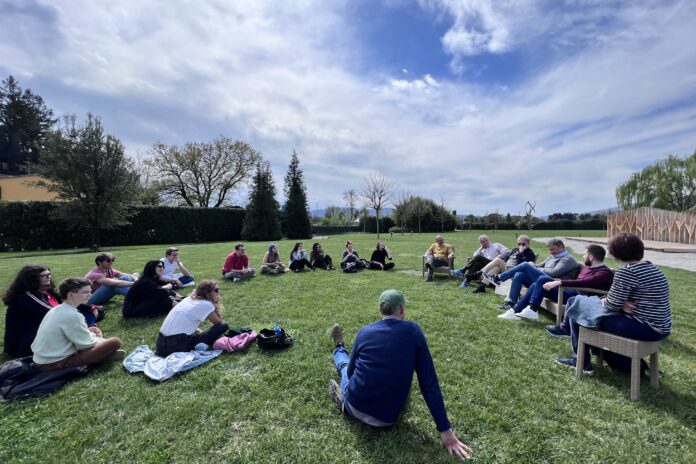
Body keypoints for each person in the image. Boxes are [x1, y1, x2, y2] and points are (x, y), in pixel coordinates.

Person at [327, 290, 472, 461]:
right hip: (389, 418)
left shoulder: (364, 332)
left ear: (380, 310)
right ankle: (339, 348)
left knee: (345, 367)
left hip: (356, 406)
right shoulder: (414, 331)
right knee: (349, 369)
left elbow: (351, 373)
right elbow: (429, 383)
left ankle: (339, 347)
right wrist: (445, 431)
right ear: (402, 309)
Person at [555, 234, 671, 373]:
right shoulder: (653, 269)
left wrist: (615, 302)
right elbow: (620, 300)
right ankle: (591, 356)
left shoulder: (627, 272)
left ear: (616, 253)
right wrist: (620, 303)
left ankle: (580, 361)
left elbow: (611, 306)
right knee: (577, 302)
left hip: (645, 327)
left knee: (577, 308)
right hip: (661, 327)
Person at [3, 265, 101, 358]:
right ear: (32, 278)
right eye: (44, 276)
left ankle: (87, 334)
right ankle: (88, 337)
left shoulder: (47, 292)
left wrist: (91, 308)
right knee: (79, 315)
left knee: (91, 311)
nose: (48, 277)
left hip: (47, 335)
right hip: (25, 345)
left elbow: (68, 302)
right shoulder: (26, 297)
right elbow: (57, 313)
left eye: (49, 275)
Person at [498, 244, 614, 321]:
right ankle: (515, 310)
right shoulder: (588, 267)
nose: (583, 256)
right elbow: (579, 281)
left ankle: (532, 309)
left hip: (577, 297)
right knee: (536, 284)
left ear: (591, 256)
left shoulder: (604, 272)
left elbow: (584, 282)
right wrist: (561, 282)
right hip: (569, 292)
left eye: (585, 254)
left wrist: (560, 282)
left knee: (542, 279)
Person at [31, 277, 124, 371]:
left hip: (42, 359)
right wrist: (102, 341)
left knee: (94, 330)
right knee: (115, 342)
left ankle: (104, 353)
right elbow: (85, 345)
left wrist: (93, 336)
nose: (90, 295)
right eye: (85, 292)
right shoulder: (72, 315)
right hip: (55, 363)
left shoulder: (57, 309)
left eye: (90, 291)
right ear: (71, 295)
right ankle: (105, 355)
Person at [484, 239, 578, 311]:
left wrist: (532, 268)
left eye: (553, 249)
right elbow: (540, 266)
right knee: (519, 274)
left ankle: (499, 278)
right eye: (550, 250)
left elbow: (553, 272)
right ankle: (511, 302)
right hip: (544, 282)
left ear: (561, 247)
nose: (551, 252)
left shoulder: (568, 259)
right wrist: (533, 265)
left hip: (556, 287)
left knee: (525, 265)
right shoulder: (553, 256)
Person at [155, 280, 229, 357]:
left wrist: (201, 332)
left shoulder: (188, 299)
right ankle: (199, 345)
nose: (219, 292)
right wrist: (215, 303)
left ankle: (200, 343)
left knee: (201, 334)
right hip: (175, 347)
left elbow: (185, 324)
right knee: (224, 325)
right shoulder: (206, 304)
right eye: (216, 290)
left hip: (160, 346)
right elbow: (218, 323)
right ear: (207, 292)